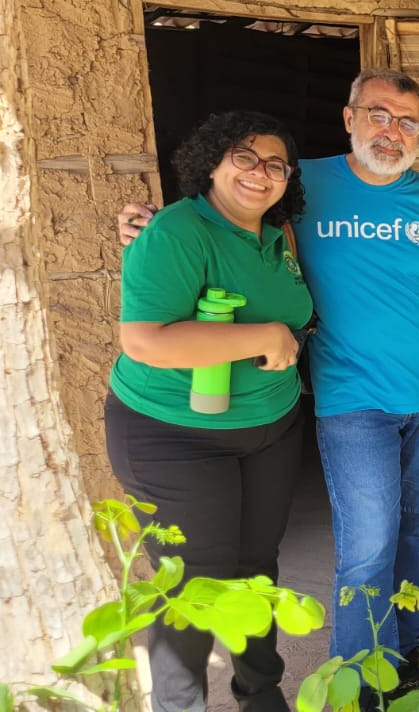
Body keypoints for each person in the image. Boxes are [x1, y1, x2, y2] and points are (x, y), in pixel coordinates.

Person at [119, 68, 419, 695]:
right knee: (368, 545)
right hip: (351, 399)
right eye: (379, 114)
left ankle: (407, 651)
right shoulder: (301, 182)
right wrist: (156, 224)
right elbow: (221, 219)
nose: (392, 131)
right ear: (349, 117)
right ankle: (356, 680)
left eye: (408, 121)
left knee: (418, 532)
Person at [107, 110, 311, 711]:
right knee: (194, 583)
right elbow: (145, 340)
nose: (259, 172)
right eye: (243, 157)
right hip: (175, 435)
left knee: (256, 566)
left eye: (275, 164)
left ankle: (260, 690)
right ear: (212, 162)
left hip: (270, 429)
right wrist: (266, 335)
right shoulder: (177, 230)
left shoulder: (277, 235)